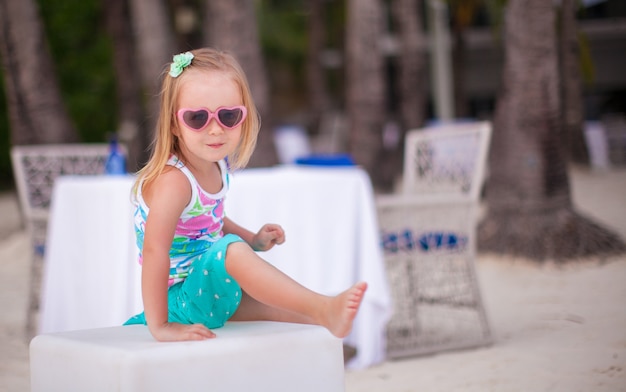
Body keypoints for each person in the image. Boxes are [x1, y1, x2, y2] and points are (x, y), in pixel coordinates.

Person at [124, 48, 367, 342]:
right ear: (175, 124)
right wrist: (160, 325)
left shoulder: (216, 165)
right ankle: (324, 305)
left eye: (228, 116)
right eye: (197, 118)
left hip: (204, 288)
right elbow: (154, 251)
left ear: (244, 117)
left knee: (274, 306)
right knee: (232, 249)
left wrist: (254, 240)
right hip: (179, 300)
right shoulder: (173, 181)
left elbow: (211, 221)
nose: (215, 129)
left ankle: (323, 316)